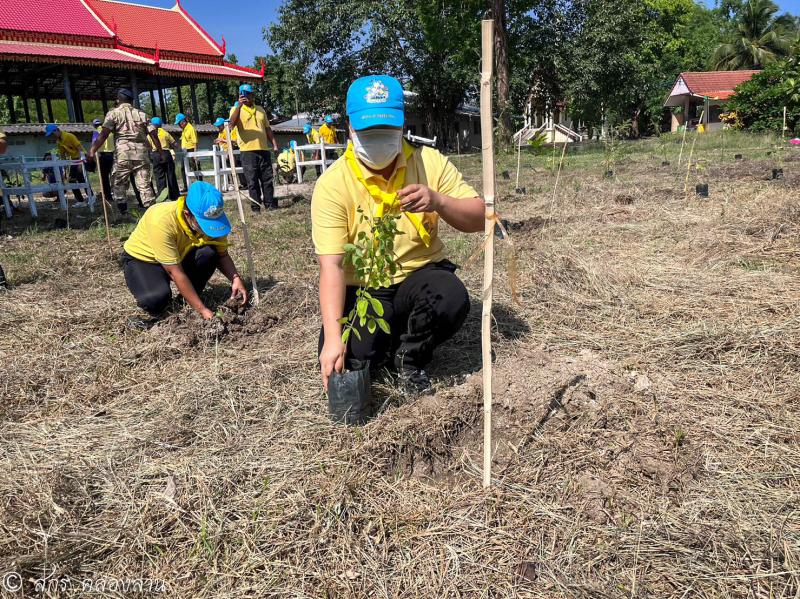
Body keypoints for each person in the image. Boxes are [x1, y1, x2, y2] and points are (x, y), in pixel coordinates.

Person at [312, 75, 485, 395]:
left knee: (450, 296)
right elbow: (332, 266)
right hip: (363, 287)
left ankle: (411, 355)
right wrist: (334, 338)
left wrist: (439, 201)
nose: (378, 140)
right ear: (349, 128)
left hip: (416, 277)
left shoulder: (428, 162)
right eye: (368, 132)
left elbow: (480, 218)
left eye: (387, 131)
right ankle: (385, 341)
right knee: (357, 359)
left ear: (402, 124)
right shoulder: (333, 184)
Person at [120, 180, 247, 326]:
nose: (209, 229)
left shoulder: (213, 219)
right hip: (144, 260)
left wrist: (235, 279)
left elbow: (222, 254)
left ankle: (185, 300)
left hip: (179, 255)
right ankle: (169, 296)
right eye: (204, 224)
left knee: (208, 254)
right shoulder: (161, 220)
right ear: (187, 214)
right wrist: (203, 310)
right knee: (156, 300)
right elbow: (175, 272)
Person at [88, 88, 161, 214]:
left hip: (123, 154)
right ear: (131, 100)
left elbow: (104, 134)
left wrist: (92, 150)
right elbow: (154, 135)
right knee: (144, 183)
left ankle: (123, 211)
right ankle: (151, 211)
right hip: (141, 154)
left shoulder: (113, 113)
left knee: (119, 182)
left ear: (119, 99)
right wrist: (159, 151)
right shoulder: (142, 114)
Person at [228, 83, 279, 212]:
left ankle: (270, 205)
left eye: (251, 94)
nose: (250, 96)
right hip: (247, 151)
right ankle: (256, 207)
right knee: (252, 181)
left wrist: (274, 144)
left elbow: (267, 128)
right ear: (241, 95)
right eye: (247, 94)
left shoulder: (261, 109)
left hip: (263, 149)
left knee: (267, 178)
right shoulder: (236, 110)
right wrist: (239, 106)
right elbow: (231, 125)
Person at [92, 118, 143, 207]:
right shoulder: (110, 132)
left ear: (94, 125)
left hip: (102, 156)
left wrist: (92, 153)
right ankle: (116, 193)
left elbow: (94, 142)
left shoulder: (97, 132)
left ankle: (108, 196)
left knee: (104, 178)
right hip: (113, 155)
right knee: (114, 176)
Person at [44, 124, 90, 206]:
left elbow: (80, 148)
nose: (52, 136)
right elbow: (62, 155)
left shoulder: (69, 136)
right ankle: (81, 200)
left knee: (79, 180)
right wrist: (64, 167)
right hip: (73, 161)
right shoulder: (59, 142)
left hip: (81, 158)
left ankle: (90, 197)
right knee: (75, 180)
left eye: (52, 133)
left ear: (57, 130)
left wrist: (81, 162)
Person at [149, 117, 180, 200]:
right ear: (161, 124)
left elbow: (148, 145)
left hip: (156, 154)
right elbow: (175, 144)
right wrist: (175, 146)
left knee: (159, 177)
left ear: (152, 124)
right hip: (166, 154)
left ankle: (162, 198)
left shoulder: (150, 134)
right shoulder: (166, 133)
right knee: (171, 175)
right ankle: (174, 196)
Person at [175, 113, 201, 188]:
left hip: (191, 150)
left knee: (195, 167)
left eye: (179, 123)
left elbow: (195, 142)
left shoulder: (190, 129)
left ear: (183, 121)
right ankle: (186, 186)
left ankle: (200, 183)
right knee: (183, 168)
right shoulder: (184, 130)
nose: (179, 126)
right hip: (185, 151)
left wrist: (195, 154)